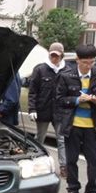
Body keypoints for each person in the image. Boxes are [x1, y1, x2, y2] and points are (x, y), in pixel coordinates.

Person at [56, 44, 96, 193]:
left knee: (94, 160)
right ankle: (73, 189)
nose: (89, 66)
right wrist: (77, 100)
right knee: (71, 159)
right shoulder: (66, 76)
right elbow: (59, 100)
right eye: (85, 62)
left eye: (92, 62)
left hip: (93, 126)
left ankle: (92, 190)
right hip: (72, 125)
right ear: (77, 60)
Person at [28, 42, 70, 178]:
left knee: (62, 139)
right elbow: (33, 91)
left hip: (59, 111)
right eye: (52, 55)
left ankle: (64, 166)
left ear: (62, 55)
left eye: (57, 56)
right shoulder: (40, 69)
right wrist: (32, 109)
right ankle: (36, 162)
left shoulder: (67, 70)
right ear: (49, 54)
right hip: (43, 109)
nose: (54, 58)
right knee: (40, 137)